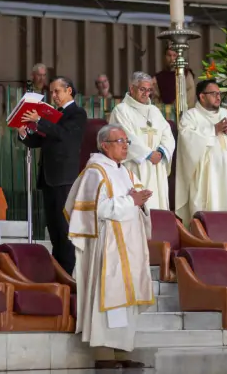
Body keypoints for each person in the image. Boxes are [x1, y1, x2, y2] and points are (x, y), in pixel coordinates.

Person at [66, 123, 154, 351]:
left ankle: (123, 352)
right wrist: (131, 201)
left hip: (130, 244)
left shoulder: (125, 171)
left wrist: (141, 203)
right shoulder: (96, 172)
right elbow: (99, 209)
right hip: (108, 245)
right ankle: (104, 355)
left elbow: (136, 203)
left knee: (127, 302)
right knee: (111, 299)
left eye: (127, 142)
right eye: (120, 142)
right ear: (105, 145)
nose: (125, 147)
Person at [18, 77, 88, 275]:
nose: (54, 96)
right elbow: (40, 141)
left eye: (57, 91)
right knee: (54, 229)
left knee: (64, 229)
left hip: (64, 177)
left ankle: (67, 271)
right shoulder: (53, 115)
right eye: (52, 92)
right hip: (48, 177)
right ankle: (58, 270)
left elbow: (65, 135)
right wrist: (24, 134)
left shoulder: (77, 113)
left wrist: (39, 120)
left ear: (69, 91)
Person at [175, 79, 227, 225]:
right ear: (202, 96)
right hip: (207, 177)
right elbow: (187, 139)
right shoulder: (191, 116)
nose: (218, 97)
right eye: (213, 93)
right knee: (210, 210)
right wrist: (212, 130)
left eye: (219, 93)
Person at [107, 72, 175, 211]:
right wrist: (148, 154)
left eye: (149, 90)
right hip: (135, 166)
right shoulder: (121, 110)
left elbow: (167, 135)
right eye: (142, 89)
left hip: (156, 168)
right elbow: (125, 136)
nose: (146, 93)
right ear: (132, 89)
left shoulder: (154, 111)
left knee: (157, 207)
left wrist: (161, 152)